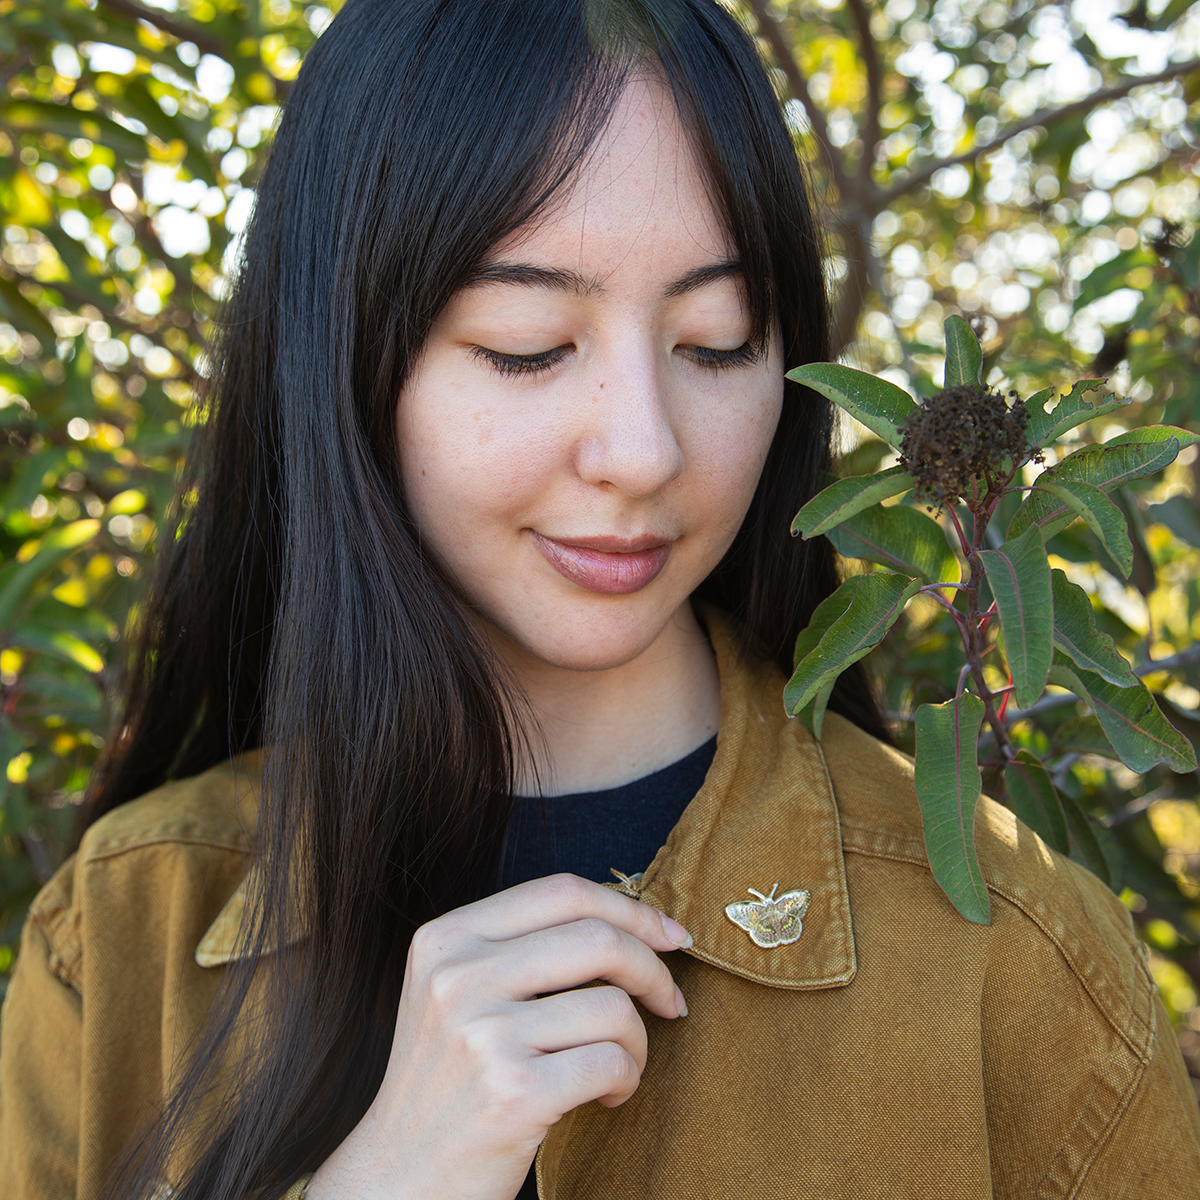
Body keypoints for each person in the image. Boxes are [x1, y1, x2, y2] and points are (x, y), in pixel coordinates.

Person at [2, 1, 1199, 1197]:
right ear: (345, 356)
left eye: (716, 341)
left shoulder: (1018, 962)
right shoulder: (117, 943)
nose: (642, 450)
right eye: (528, 344)